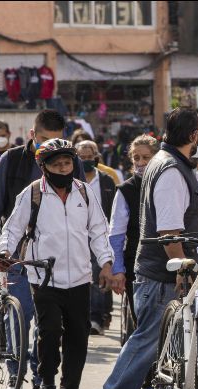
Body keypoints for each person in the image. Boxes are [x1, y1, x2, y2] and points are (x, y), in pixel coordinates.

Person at [92, 107, 198, 389]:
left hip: (165, 271)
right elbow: (169, 230)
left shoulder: (171, 164)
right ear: (194, 135)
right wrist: (182, 267)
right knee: (147, 339)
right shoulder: (170, 169)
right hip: (162, 272)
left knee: (181, 341)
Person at [0, 139, 114, 389]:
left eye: (67, 163)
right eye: (57, 164)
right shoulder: (32, 194)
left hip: (80, 277)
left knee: (78, 337)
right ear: (44, 167)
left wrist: (106, 263)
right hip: (44, 276)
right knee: (49, 332)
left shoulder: (84, 192)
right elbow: (13, 228)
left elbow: (98, 230)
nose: (63, 168)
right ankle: (46, 387)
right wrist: (4, 252)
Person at [0, 109, 79, 389]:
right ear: (33, 135)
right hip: (16, 255)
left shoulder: (70, 162)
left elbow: (84, 208)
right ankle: (15, 373)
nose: (50, 148)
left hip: (55, 258)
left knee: (47, 325)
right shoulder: (11, 160)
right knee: (18, 315)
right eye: (44, 140)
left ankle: (40, 377)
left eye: (56, 141)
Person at [106, 135, 157, 389]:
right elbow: (115, 234)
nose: (140, 163)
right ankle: (149, 382)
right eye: (136, 158)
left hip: (169, 261)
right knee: (144, 325)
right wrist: (117, 269)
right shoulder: (126, 189)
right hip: (137, 265)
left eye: (145, 157)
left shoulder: (167, 183)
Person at [76, 140, 117, 336]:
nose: (85, 160)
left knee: (98, 276)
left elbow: (113, 210)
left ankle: (96, 317)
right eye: (81, 157)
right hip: (76, 236)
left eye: (89, 157)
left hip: (100, 235)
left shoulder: (107, 181)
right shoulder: (72, 181)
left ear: (96, 158)